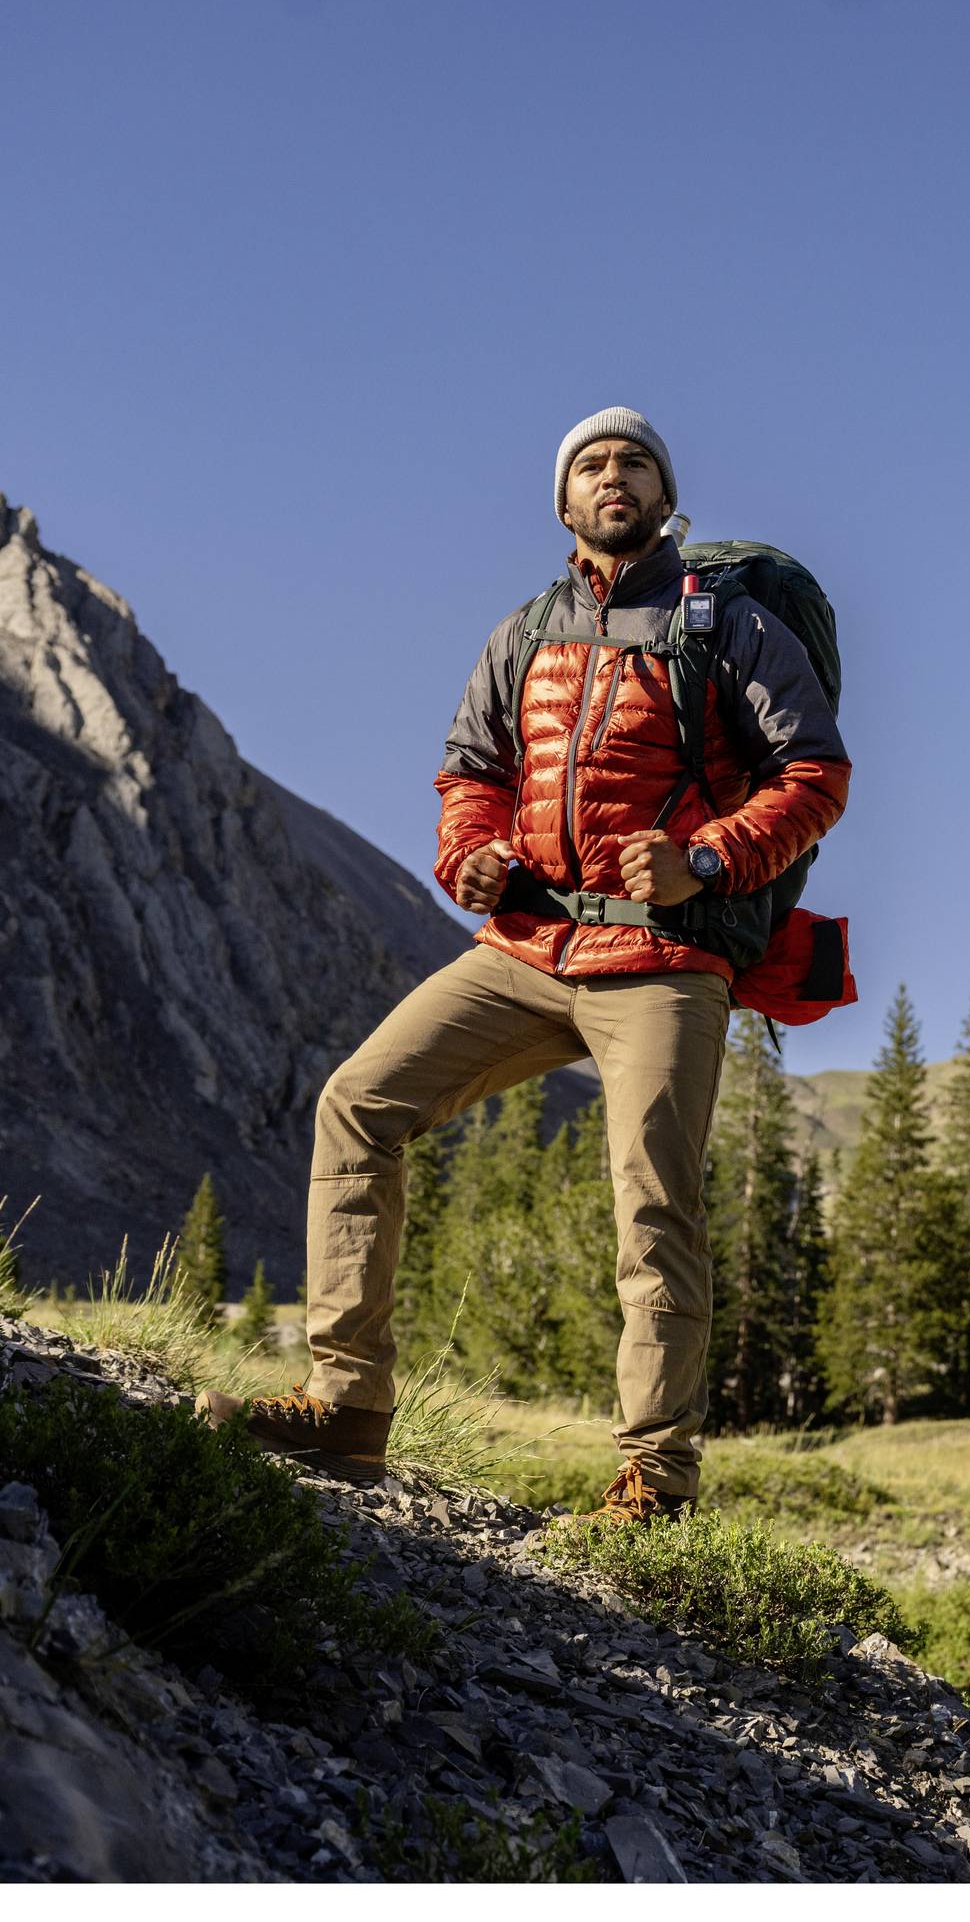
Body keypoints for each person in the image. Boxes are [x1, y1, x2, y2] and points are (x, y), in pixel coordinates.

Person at [199, 407, 849, 1520]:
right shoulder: (526, 631)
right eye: (592, 464)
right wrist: (472, 857)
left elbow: (815, 773)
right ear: (564, 502)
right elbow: (469, 772)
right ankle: (347, 1408)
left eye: (633, 462)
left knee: (654, 1203)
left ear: (663, 494)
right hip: (529, 946)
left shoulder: (726, 623)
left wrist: (703, 856)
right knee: (359, 1103)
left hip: (662, 955)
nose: (613, 475)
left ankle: (656, 1476)